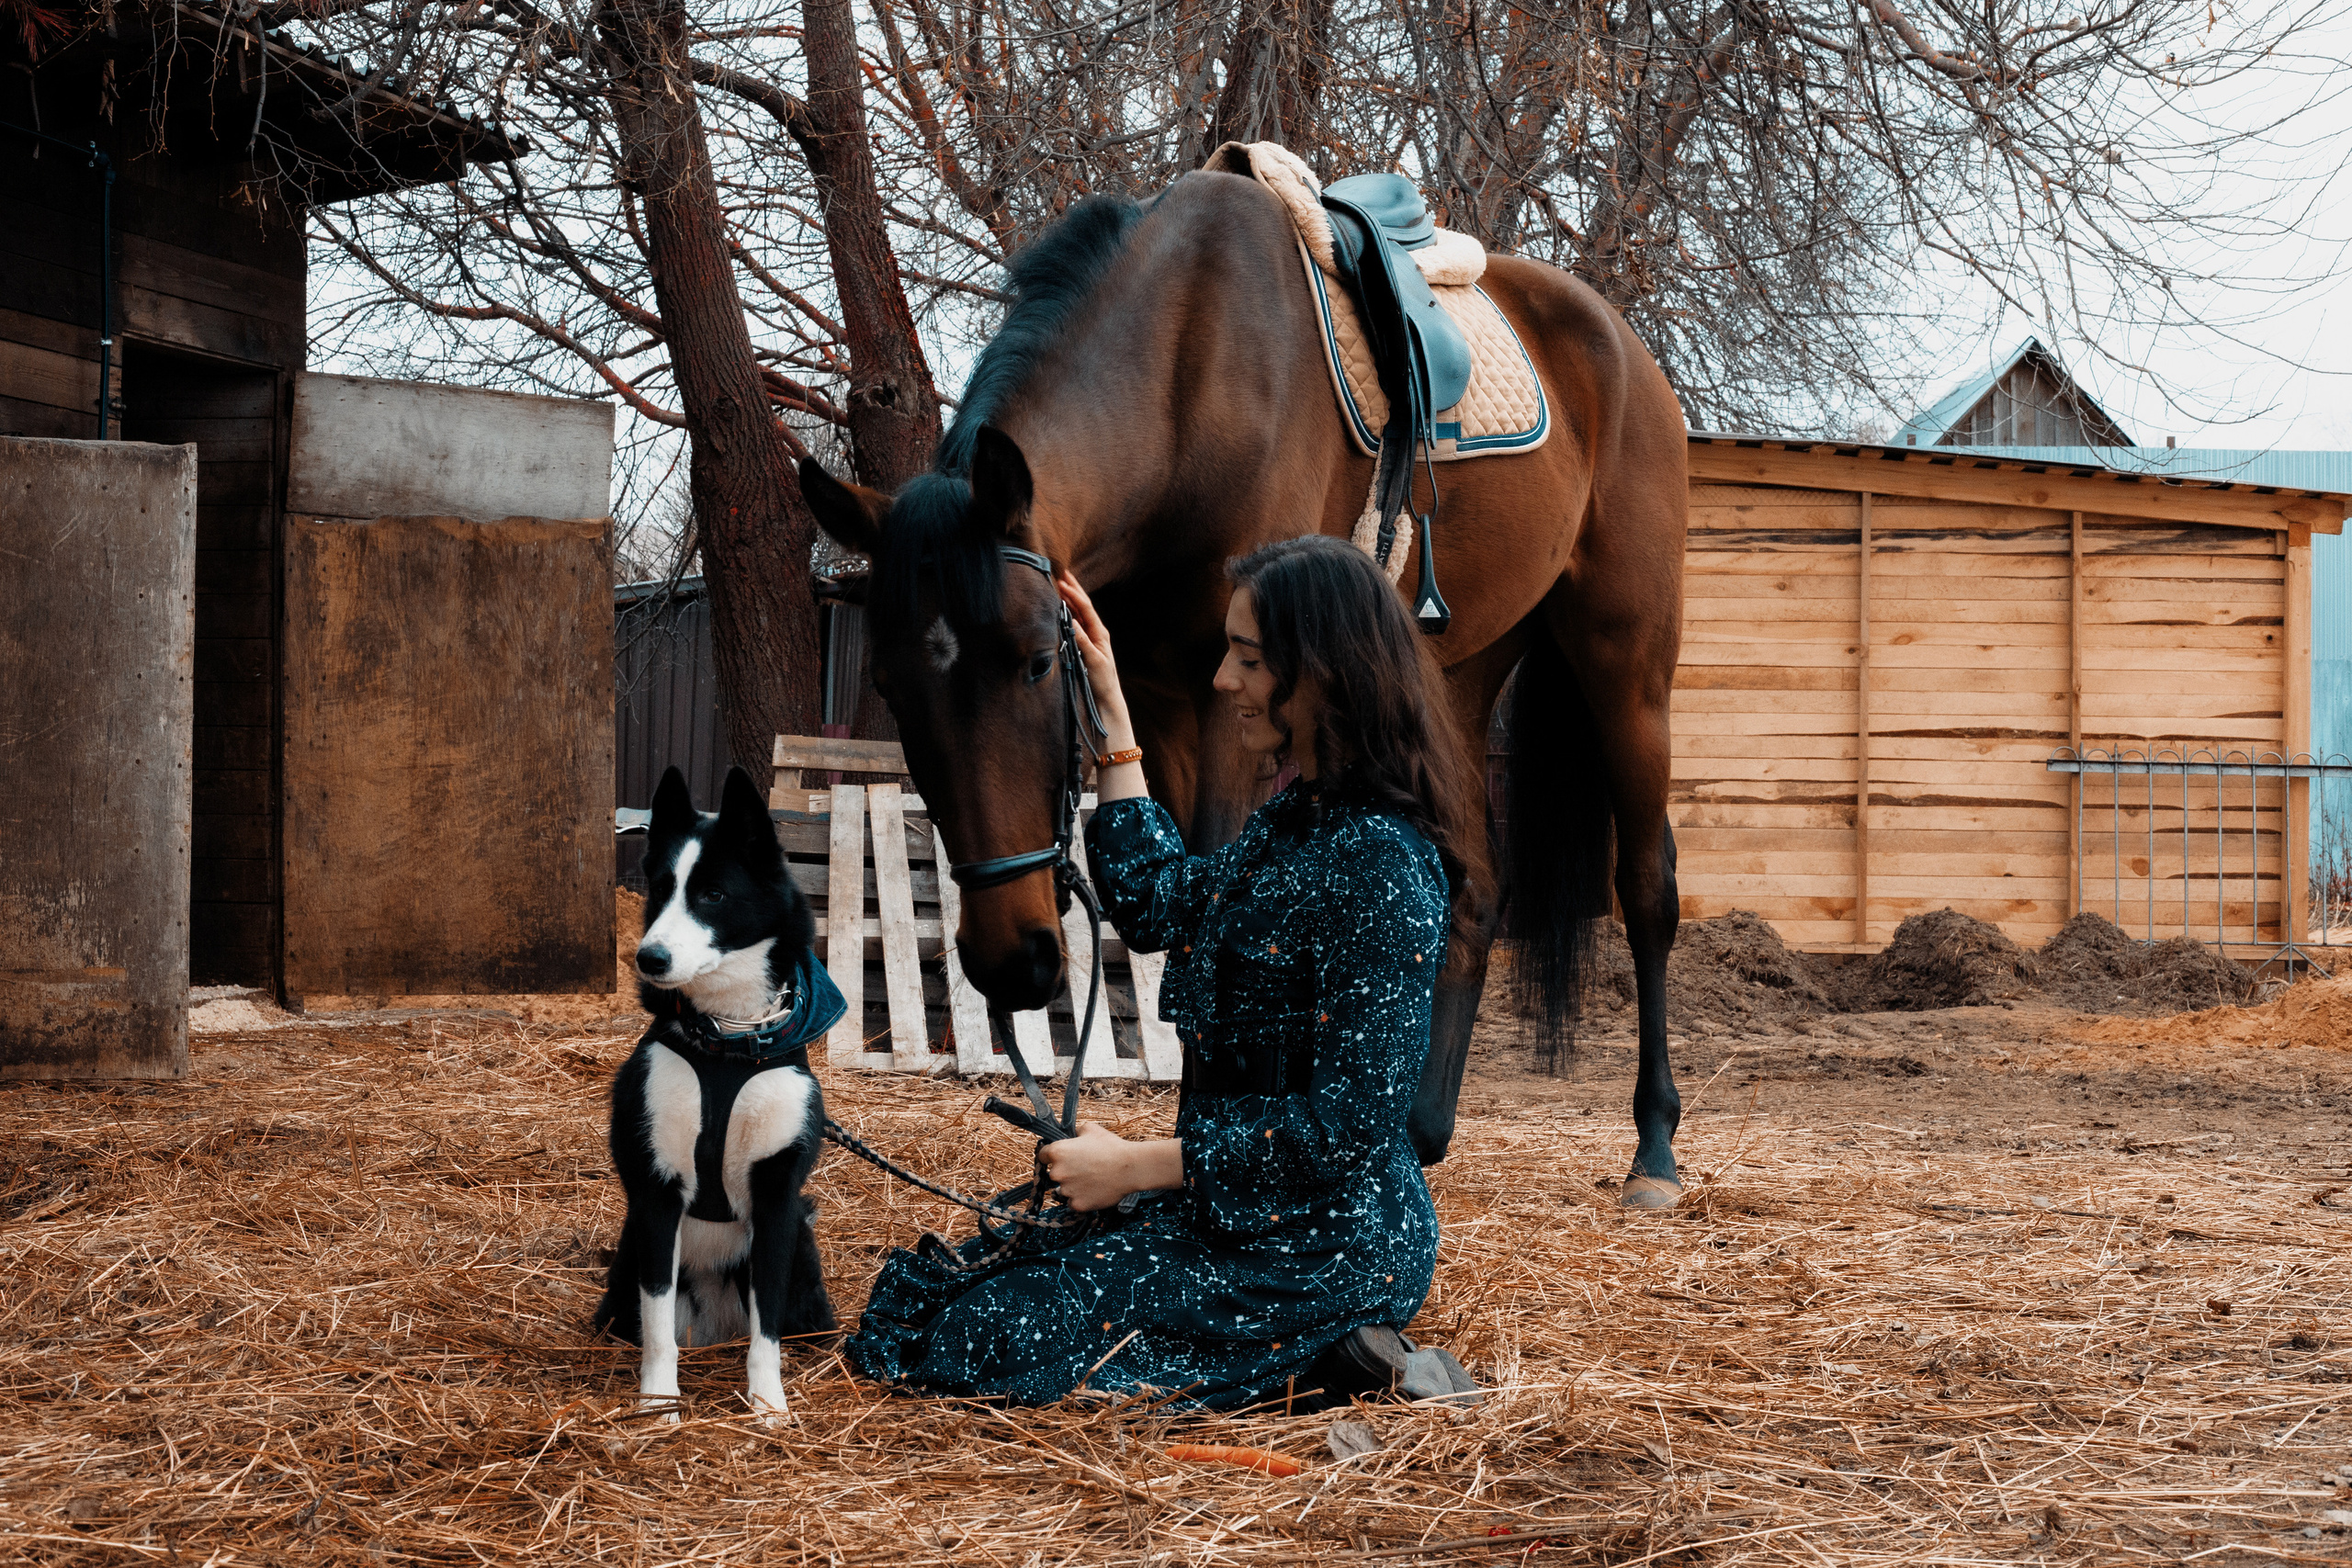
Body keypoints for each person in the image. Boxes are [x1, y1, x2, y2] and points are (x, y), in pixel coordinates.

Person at [842, 535, 1485, 1409]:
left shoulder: (1380, 863)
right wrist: (1109, 704)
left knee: (989, 1339)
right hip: (1232, 1206)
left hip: (1323, 1236)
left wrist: (1139, 1166)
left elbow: (1348, 1128)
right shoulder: (1294, 824)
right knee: (967, 1281)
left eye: (1249, 660)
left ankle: (1326, 1350)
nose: (1224, 681)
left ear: (1326, 672)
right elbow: (1156, 898)